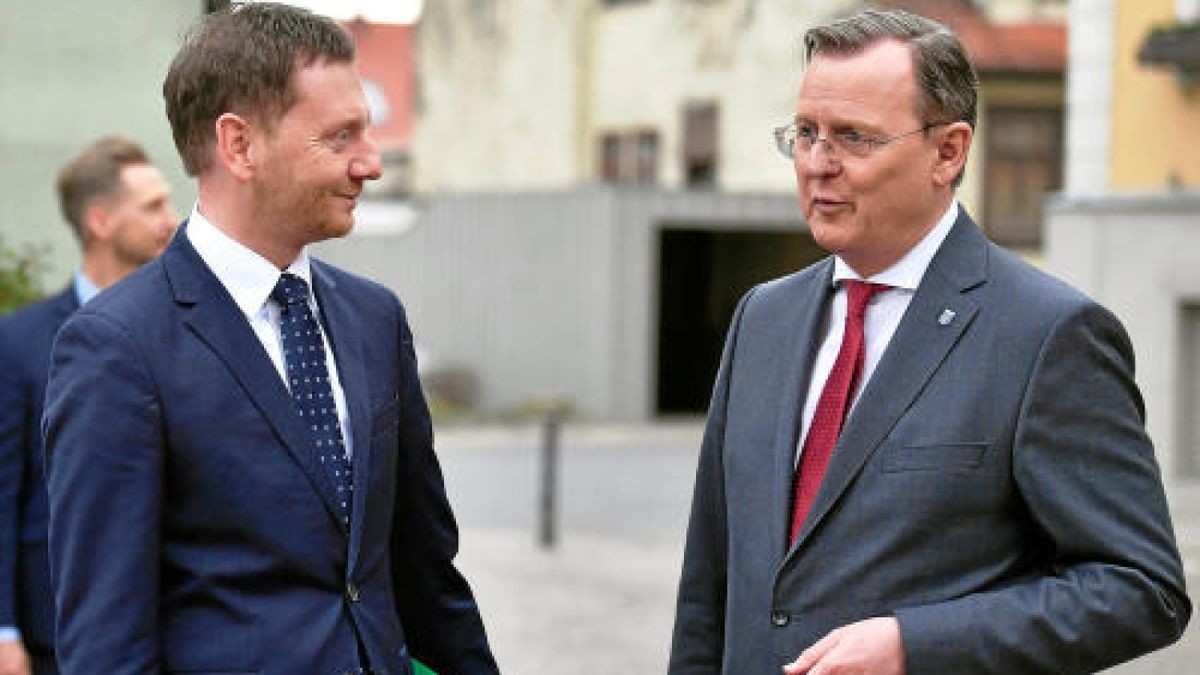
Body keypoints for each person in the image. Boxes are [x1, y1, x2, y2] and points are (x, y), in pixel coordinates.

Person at [668, 8, 1190, 675]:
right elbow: (707, 587)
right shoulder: (762, 318)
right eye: (805, 133)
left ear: (948, 151)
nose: (817, 165)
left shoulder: (1047, 335)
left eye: (853, 138)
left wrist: (916, 645)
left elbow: (1141, 587)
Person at [42, 4, 498, 675]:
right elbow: (107, 644)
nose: (370, 163)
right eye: (339, 137)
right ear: (238, 145)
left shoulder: (375, 318)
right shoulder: (117, 346)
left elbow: (426, 574)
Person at [0, 136, 176, 675]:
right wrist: (3, 632)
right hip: (58, 634)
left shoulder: (186, 330)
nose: (172, 220)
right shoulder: (19, 342)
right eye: (152, 207)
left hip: (180, 623)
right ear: (100, 222)